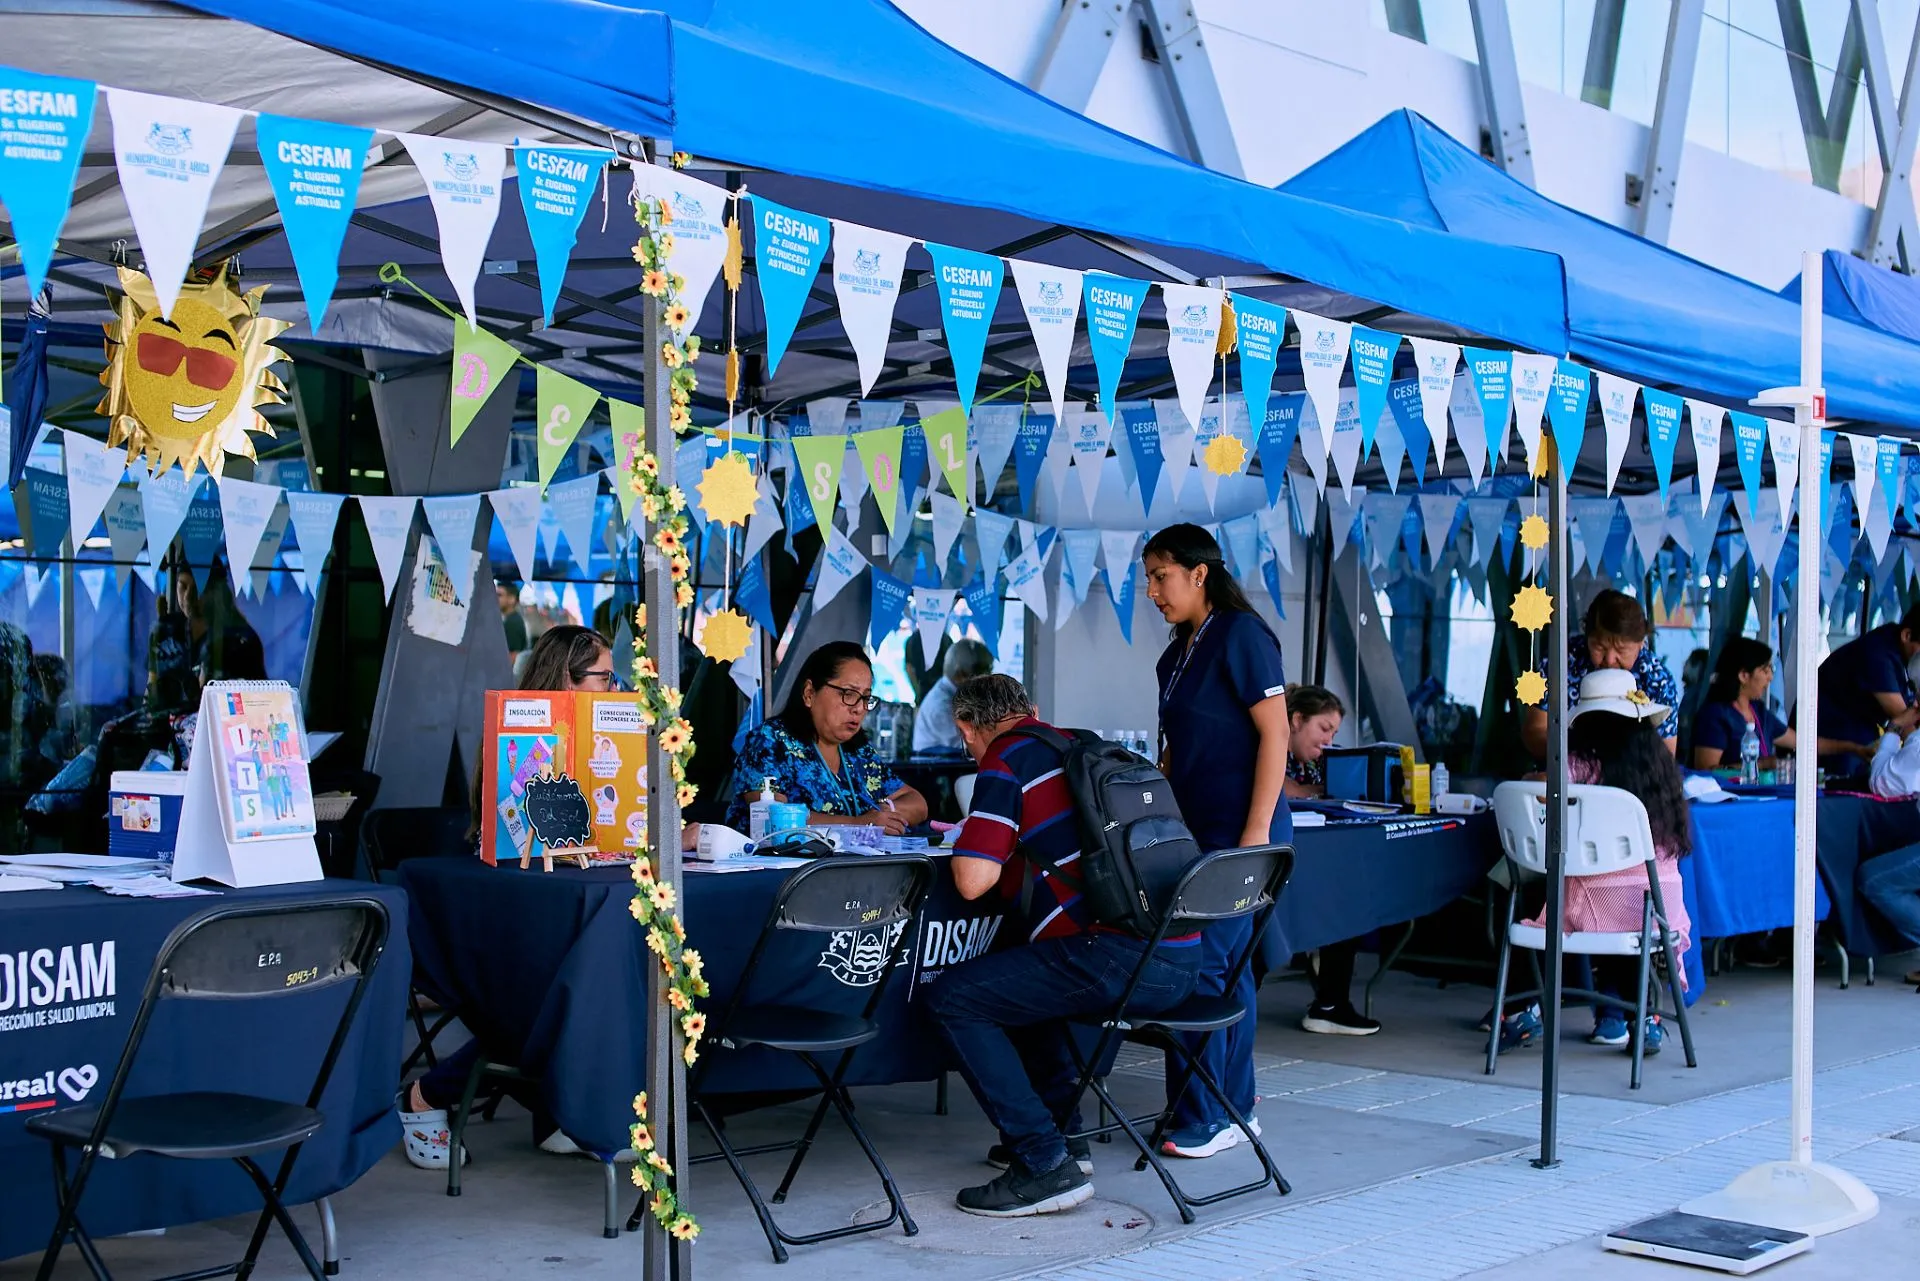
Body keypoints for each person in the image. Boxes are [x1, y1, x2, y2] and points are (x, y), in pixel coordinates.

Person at [924, 674, 1200, 1217]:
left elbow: (971, 881)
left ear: (965, 728)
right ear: (1033, 709)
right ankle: (1065, 1135)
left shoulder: (1006, 758)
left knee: (954, 998)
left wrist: (969, 834)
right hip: (1181, 953)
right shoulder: (1080, 745)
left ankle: (1044, 1162)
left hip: (1117, 958)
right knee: (1023, 979)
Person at [402, 625, 643, 1170]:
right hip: (515, 903)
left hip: (579, 889)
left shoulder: (606, 736)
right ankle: (427, 1094)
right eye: (604, 677)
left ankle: (561, 1113)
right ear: (567, 678)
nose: (613, 687)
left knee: (593, 978)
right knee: (553, 997)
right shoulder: (523, 734)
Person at [1142, 523, 1291, 1158]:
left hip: (1242, 833)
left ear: (1199, 573)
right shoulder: (1175, 653)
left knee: (1201, 966)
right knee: (1229, 971)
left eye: (1161, 576)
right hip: (1195, 832)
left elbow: (1276, 736)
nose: (1152, 591)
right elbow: (1180, 747)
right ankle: (1236, 1107)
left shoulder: (1242, 635)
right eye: (1147, 578)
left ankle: (1202, 1116)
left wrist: (1254, 835)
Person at [1527, 669, 1693, 1054]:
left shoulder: (1575, 768)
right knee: (1630, 908)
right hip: (1656, 906)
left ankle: (1524, 1005)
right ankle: (1639, 1016)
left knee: (1549, 893)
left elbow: (1537, 796)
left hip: (1587, 906)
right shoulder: (1661, 770)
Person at [724, 640, 928, 834]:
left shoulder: (859, 752)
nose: (858, 708)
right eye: (848, 694)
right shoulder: (770, 741)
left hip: (851, 868)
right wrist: (860, 823)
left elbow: (917, 803)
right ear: (809, 693)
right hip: (782, 868)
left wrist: (886, 810)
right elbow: (773, 817)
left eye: (865, 697)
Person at [1277, 686, 1380, 1038]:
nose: (1329, 740)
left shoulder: (1317, 761)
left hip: (1305, 856)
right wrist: (1313, 793)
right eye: (1324, 729)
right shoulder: (1268, 742)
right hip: (1273, 865)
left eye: (1334, 733)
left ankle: (1331, 1002)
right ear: (1296, 720)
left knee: (1347, 888)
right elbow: (1279, 785)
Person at [1523, 590, 1679, 759]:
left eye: (1621, 650)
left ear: (1641, 644)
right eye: (1600, 647)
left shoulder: (1658, 680)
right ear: (1586, 636)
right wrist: (1582, 761)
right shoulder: (1558, 663)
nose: (1610, 659)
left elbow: (1666, 754)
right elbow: (1535, 730)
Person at [1816, 604, 1920, 778]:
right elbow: (1906, 721)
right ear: (1907, 635)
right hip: (1831, 735)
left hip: (1858, 734)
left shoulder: (1901, 652)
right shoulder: (1878, 654)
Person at [1690, 638, 1795, 770]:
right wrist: (1763, 764)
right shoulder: (1715, 715)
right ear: (1744, 676)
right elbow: (1705, 770)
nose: (1770, 677)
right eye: (1764, 670)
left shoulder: (1758, 711)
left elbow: (1800, 741)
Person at [913, 637, 994, 754]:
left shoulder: (960, 695)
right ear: (960, 675)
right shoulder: (940, 705)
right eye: (983, 673)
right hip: (939, 770)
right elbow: (971, 745)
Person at [497, 578, 530, 660]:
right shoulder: (509, 619)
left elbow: (514, 656)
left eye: (499, 595)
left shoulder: (512, 622)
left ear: (512, 599)